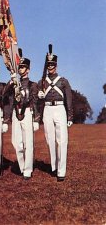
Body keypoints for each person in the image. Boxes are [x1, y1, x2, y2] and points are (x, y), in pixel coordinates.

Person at [38, 45, 73, 182]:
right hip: (47, 110)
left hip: (59, 109)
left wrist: (70, 116)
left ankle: (61, 171)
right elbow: (37, 99)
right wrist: (41, 95)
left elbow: (69, 99)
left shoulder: (63, 81)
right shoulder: (42, 82)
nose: (50, 67)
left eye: (52, 65)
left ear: (56, 66)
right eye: (49, 65)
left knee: (62, 140)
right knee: (50, 139)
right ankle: (54, 166)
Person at [4, 52, 40, 180]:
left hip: (27, 113)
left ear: (28, 70)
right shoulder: (14, 83)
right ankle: (23, 165)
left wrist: (36, 118)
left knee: (28, 143)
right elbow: (5, 96)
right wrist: (11, 80)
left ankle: (28, 170)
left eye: (23, 67)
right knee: (16, 143)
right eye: (19, 67)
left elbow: (35, 101)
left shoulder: (33, 85)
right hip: (15, 113)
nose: (20, 69)